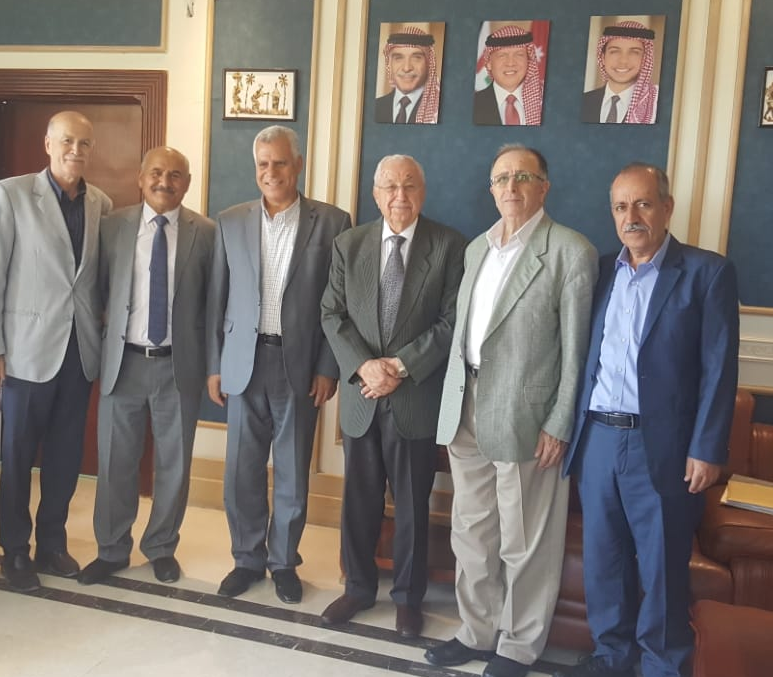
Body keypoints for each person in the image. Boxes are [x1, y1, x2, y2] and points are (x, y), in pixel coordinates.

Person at [556, 164, 739, 677]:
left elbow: (719, 368)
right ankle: (611, 656)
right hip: (597, 439)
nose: (630, 216)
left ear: (666, 208)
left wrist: (706, 447)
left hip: (663, 447)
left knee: (661, 566)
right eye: (620, 207)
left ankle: (662, 666)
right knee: (604, 558)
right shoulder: (600, 271)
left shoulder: (707, 273)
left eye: (642, 204)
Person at [429, 144, 598, 677]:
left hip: (529, 415)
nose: (511, 187)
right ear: (491, 189)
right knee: (472, 530)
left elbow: (577, 351)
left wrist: (560, 421)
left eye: (523, 177)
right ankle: (477, 631)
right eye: (501, 178)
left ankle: (519, 645)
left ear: (544, 187)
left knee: (525, 539)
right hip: (467, 406)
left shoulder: (570, 251)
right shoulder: (476, 248)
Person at [319, 155, 465, 638]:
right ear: (375, 194)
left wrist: (399, 367)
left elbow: (451, 322)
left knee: (412, 507)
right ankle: (359, 588)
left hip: (413, 397)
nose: (400, 196)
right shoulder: (349, 244)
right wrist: (365, 366)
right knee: (358, 502)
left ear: (423, 191)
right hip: (362, 396)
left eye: (409, 186)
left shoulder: (448, 246)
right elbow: (332, 314)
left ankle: (407, 598)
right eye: (390, 187)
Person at [206, 125, 351, 604]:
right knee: (241, 471)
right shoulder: (230, 221)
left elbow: (337, 303)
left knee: (292, 470)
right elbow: (217, 299)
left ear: (298, 165)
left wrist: (328, 366)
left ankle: (284, 562)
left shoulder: (333, 223)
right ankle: (247, 559)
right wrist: (215, 365)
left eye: (281, 163)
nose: (271, 172)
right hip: (242, 364)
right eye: (263, 164)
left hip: (300, 366)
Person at [0, 111, 113, 591]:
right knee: (16, 455)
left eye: (85, 143)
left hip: (79, 352)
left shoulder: (101, 203)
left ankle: (52, 544)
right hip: (25, 351)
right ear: (48, 143)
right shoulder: (9, 195)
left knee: (65, 456)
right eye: (67, 140)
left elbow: (94, 280)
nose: (76, 150)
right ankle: (14, 550)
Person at [77, 147, 215, 586]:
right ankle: (111, 549)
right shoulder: (112, 227)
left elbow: (214, 306)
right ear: (140, 178)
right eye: (156, 172)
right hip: (124, 365)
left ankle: (161, 547)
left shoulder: (206, 233)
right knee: (115, 462)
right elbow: (95, 291)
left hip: (179, 367)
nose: (164, 182)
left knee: (174, 465)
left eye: (175, 175)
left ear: (187, 183)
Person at [581, 21, 659, 124]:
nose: (623, 61)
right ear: (603, 58)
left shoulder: (655, 104)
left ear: (644, 59)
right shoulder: (583, 101)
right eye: (615, 51)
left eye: (634, 52)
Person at [473, 26, 544, 126]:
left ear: (529, 61)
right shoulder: (472, 104)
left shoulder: (544, 102)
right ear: (489, 63)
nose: (510, 63)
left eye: (519, 54)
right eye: (502, 55)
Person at [374, 27, 441, 124]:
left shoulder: (437, 109)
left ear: (429, 63)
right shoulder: (376, 106)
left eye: (416, 58)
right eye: (398, 58)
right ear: (389, 63)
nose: (406, 68)